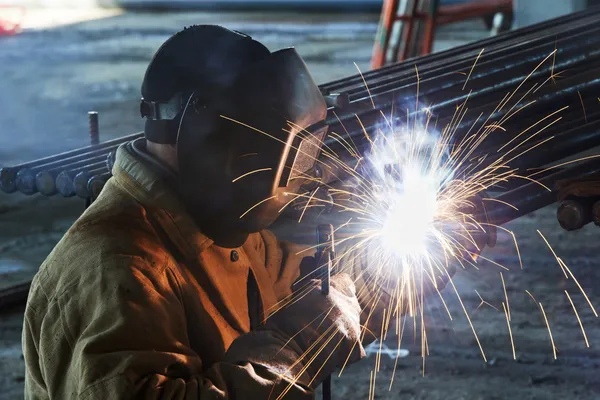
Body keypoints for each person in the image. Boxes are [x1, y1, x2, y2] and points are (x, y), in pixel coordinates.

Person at [22, 25, 493, 399]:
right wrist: (300, 345)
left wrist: (402, 274)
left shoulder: (227, 230)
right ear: (214, 135)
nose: (287, 182)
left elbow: (329, 300)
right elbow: (308, 332)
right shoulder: (118, 268)